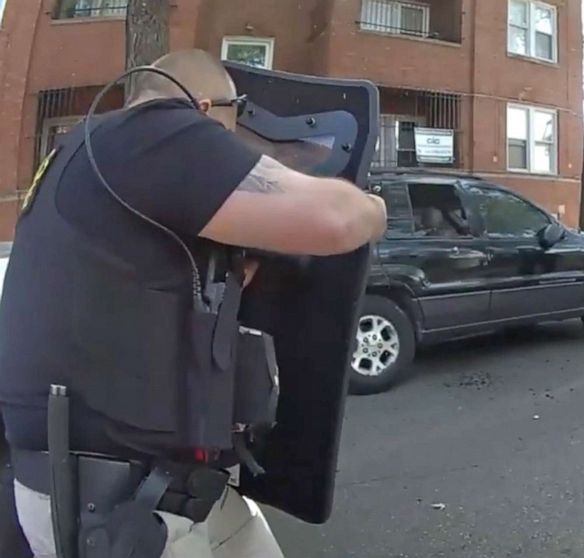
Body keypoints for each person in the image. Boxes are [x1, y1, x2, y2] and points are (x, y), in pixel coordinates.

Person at [0, 49, 386, 558]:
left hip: (160, 485)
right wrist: (375, 205)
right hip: (114, 505)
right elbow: (334, 220)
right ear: (205, 108)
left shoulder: (96, 150)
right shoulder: (155, 133)